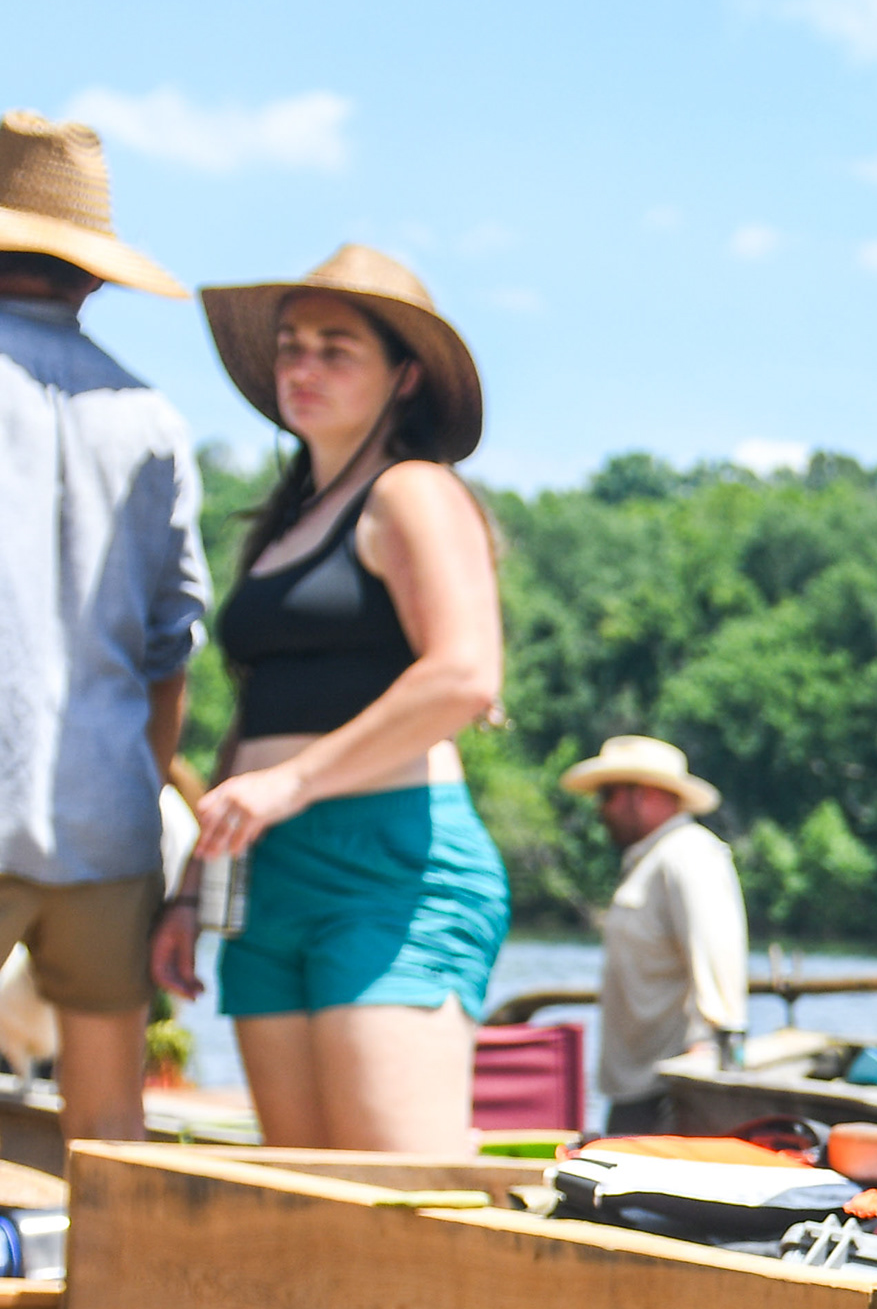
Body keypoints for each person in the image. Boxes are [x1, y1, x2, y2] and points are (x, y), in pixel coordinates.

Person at [157, 246, 508, 1151]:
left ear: (405, 377)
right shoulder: (280, 524)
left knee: (390, 1209)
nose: (302, 368)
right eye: (290, 346)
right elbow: (256, 715)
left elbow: (466, 674)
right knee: (304, 1199)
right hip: (266, 876)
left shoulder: (414, 494)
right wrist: (194, 891)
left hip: (390, 868)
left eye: (335, 348)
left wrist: (293, 784)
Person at [0, 112, 205, 1146]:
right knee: (110, 1129)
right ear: (94, 276)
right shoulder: (153, 418)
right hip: (109, 819)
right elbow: (174, 645)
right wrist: (143, 786)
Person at [562, 735, 747, 1135]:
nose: (600, 809)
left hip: (668, 1095)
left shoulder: (688, 855)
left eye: (607, 794)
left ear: (640, 795)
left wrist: (706, 1052)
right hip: (641, 1089)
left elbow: (716, 958)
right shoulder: (657, 857)